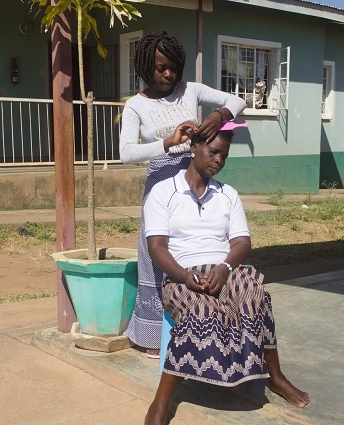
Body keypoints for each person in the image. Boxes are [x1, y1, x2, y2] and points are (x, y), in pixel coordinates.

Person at [142, 123, 310, 425]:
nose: (218, 159)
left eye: (224, 155)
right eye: (213, 151)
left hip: (225, 270)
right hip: (181, 275)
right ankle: (161, 402)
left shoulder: (227, 194)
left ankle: (276, 377)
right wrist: (183, 276)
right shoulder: (163, 191)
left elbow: (242, 242)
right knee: (199, 309)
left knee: (256, 296)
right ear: (194, 148)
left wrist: (225, 268)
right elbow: (156, 246)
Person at [120, 31, 247, 357]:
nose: (168, 75)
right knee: (156, 254)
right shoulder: (136, 106)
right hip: (161, 182)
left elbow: (238, 101)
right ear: (145, 66)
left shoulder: (191, 91)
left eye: (173, 67)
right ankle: (152, 335)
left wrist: (219, 116)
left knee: (192, 247)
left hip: (195, 181)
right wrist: (169, 142)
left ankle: (199, 323)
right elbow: (126, 153)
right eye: (160, 68)